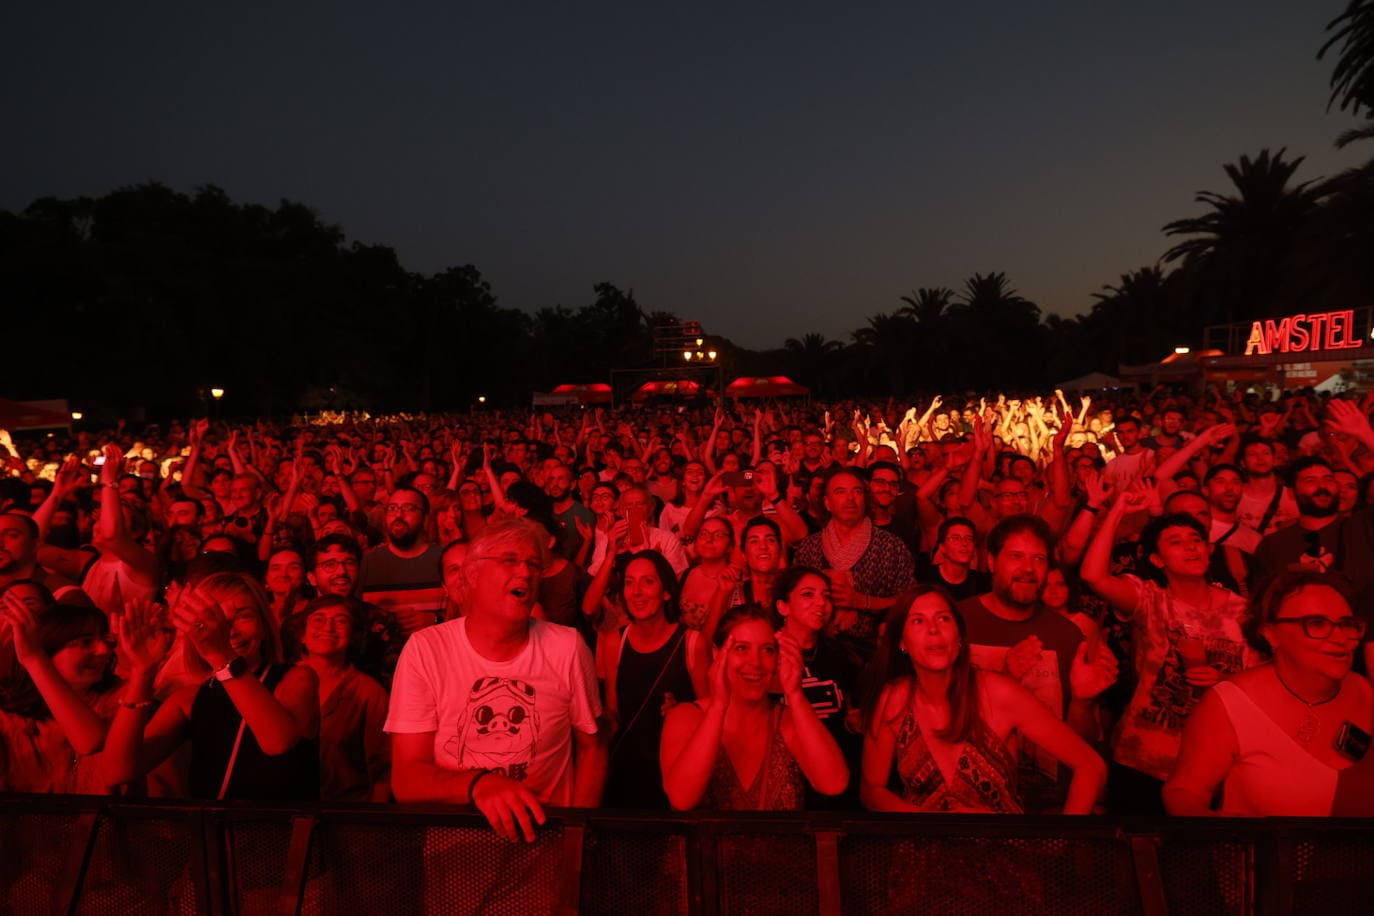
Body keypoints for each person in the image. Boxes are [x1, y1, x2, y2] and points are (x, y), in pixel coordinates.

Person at [385, 518, 607, 841]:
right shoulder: (426, 650)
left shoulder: (567, 648)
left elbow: (593, 747)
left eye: (534, 564)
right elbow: (407, 778)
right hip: (456, 862)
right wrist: (479, 784)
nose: (526, 573)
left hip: (545, 854)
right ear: (472, 574)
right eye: (510, 561)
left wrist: (578, 837)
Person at [1081, 488, 1254, 814]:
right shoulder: (1150, 600)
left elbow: (1263, 679)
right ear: (1157, 560)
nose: (1190, 547)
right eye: (1175, 541)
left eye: (1195, 540)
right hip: (1142, 758)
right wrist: (1118, 507)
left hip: (1215, 765)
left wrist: (1225, 680)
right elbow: (1093, 575)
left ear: (1208, 549)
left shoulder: (1243, 612)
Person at [858, 586, 1105, 813]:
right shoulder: (893, 699)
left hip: (1004, 853)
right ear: (902, 642)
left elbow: (1091, 767)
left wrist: (1062, 841)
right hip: (925, 852)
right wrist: (927, 823)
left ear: (960, 636)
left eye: (943, 618)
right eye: (918, 621)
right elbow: (871, 790)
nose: (933, 629)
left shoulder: (997, 693)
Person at [1164, 570, 1372, 816]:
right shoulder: (1230, 705)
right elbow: (1184, 792)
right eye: (1317, 624)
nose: (1340, 638)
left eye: (1347, 625)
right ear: (1270, 633)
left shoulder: (1364, 691)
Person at [102, 572, 321, 800]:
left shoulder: (297, 678)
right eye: (212, 619)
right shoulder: (190, 698)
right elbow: (117, 771)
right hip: (210, 832)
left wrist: (220, 653)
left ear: (265, 625)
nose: (228, 631)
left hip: (276, 832)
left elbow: (278, 742)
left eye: (243, 616)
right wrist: (142, 671)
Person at [660, 603, 849, 810]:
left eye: (767, 650)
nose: (756, 662)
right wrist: (718, 706)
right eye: (742, 648)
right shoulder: (686, 717)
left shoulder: (787, 720)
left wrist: (795, 693)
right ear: (717, 653)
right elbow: (681, 799)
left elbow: (834, 784)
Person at [602, 550, 709, 809]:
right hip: (626, 776)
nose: (636, 591)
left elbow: (710, 714)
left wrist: (682, 712)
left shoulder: (692, 643)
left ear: (666, 592)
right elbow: (613, 713)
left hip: (675, 777)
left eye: (648, 581)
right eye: (629, 582)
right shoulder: (614, 642)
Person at [0, 583, 122, 793]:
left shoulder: (120, 698)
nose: (103, 651)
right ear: (50, 648)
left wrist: (34, 658)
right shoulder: (8, 716)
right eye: (85, 642)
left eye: (106, 640)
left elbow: (90, 741)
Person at [793, 468, 915, 667]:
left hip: (873, 655)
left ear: (865, 499)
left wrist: (864, 601)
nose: (850, 498)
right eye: (840, 492)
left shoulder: (891, 546)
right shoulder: (809, 548)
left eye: (857, 491)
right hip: (813, 653)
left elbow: (910, 600)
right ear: (827, 502)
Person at [772, 565, 863, 807]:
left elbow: (851, 712)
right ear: (783, 606)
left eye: (826, 596)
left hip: (833, 771)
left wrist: (855, 721)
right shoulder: (766, 653)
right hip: (781, 775)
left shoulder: (840, 654)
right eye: (808, 594)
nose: (821, 603)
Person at [290, 595, 390, 802]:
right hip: (283, 815)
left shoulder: (369, 693)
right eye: (319, 619)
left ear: (353, 634)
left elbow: (384, 771)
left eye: (341, 621)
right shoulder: (279, 679)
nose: (328, 627)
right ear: (302, 634)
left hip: (347, 816)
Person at [358, 485, 445, 634]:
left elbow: (466, 611)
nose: (398, 515)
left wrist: (435, 619)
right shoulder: (369, 563)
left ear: (425, 518)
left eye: (409, 508)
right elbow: (356, 614)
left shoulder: (443, 559)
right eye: (392, 508)